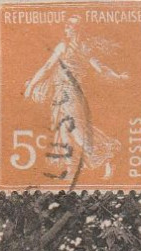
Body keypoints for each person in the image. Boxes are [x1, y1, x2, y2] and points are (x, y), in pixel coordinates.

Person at [24, 20, 128, 181]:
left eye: (70, 27)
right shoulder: (63, 46)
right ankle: (70, 169)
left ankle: (108, 156)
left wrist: (118, 76)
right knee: (64, 132)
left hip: (72, 92)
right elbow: (47, 67)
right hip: (59, 92)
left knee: (78, 131)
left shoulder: (85, 48)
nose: (67, 30)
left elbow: (99, 67)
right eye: (67, 27)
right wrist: (31, 86)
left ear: (78, 29)